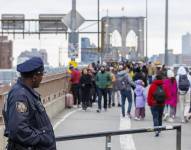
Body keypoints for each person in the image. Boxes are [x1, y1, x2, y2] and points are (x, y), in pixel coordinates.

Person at [2, 57, 56, 150]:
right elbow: (18, 129)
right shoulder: (20, 95)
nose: (42, 78)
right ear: (34, 77)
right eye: (42, 75)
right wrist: (43, 139)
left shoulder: (27, 93)